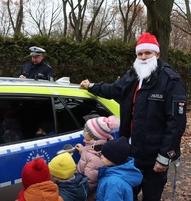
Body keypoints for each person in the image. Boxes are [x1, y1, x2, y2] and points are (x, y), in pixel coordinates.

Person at [80, 32, 187, 201]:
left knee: (151, 196)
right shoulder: (133, 76)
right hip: (130, 155)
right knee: (128, 194)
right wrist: (91, 86)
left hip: (154, 158)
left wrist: (164, 157)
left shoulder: (171, 81)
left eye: (148, 53)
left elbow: (176, 123)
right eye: (140, 53)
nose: (143, 57)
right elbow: (113, 89)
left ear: (157, 54)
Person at [75, 115, 119, 196]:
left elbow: (90, 183)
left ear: (94, 137)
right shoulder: (94, 149)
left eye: (86, 131)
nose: (83, 132)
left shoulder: (95, 158)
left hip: (85, 192)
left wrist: (79, 194)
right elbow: (89, 156)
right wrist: (83, 151)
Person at [96, 136, 143, 201]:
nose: (101, 157)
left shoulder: (114, 183)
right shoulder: (114, 175)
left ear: (114, 159)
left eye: (105, 155)